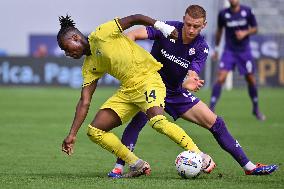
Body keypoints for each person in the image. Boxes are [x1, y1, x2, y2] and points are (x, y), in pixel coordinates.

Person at [107, 5, 278, 178]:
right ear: (184, 19)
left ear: (203, 25)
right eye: (188, 24)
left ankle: (249, 167)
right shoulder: (168, 29)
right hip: (150, 86)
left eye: (196, 26)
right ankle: (118, 168)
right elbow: (134, 34)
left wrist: (190, 81)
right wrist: (127, 53)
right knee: (137, 122)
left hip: (175, 92)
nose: (191, 29)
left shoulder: (201, 47)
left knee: (216, 123)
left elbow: (193, 72)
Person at [58, 14, 214, 178]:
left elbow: (135, 18)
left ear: (75, 37)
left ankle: (200, 155)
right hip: (128, 90)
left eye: (66, 48)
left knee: (158, 122)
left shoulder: (101, 33)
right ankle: (137, 164)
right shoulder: (89, 66)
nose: (67, 53)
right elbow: (85, 101)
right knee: (95, 131)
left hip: (148, 79)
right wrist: (72, 135)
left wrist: (162, 27)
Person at [210, 0, 265, 121]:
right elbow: (219, 31)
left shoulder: (247, 11)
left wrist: (246, 32)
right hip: (229, 51)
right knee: (220, 78)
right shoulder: (223, 14)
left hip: (244, 52)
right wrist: (217, 49)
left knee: (250, 79)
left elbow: (255, 28)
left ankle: (256, 108)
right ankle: (211, 109)